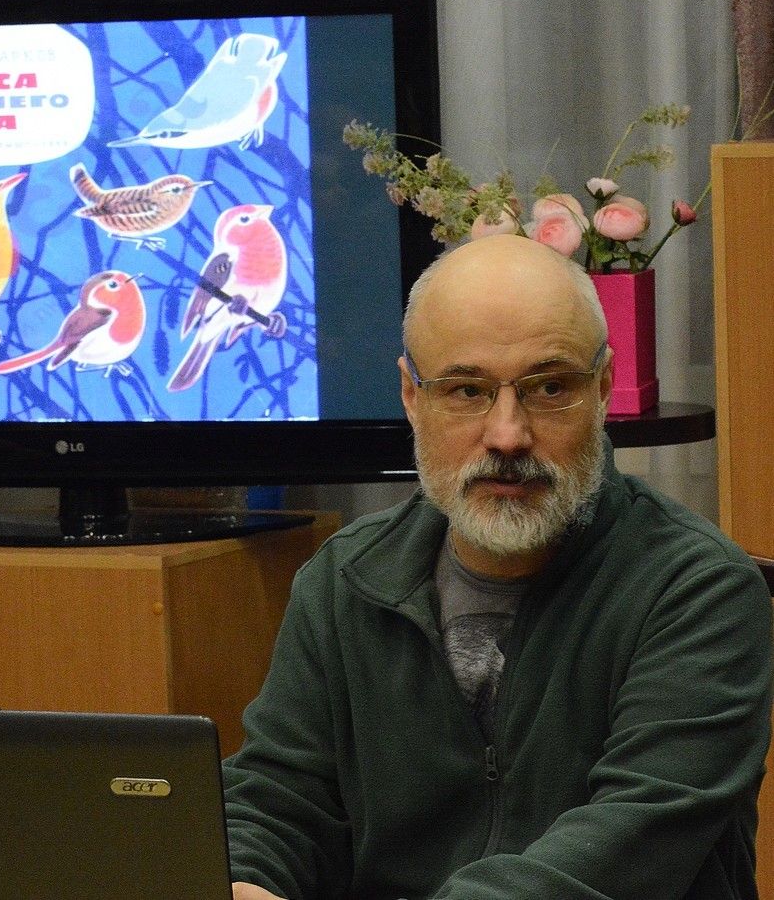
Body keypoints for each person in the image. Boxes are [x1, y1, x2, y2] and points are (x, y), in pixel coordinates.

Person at [225, 233, 773, 900]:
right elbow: (275, 803)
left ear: (602, 389)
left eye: (550, 387)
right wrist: (243, 879)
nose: (508, 434)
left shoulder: (699, 591)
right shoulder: (343, 583)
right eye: (466, 390)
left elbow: (623, 853)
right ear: (411, 396)